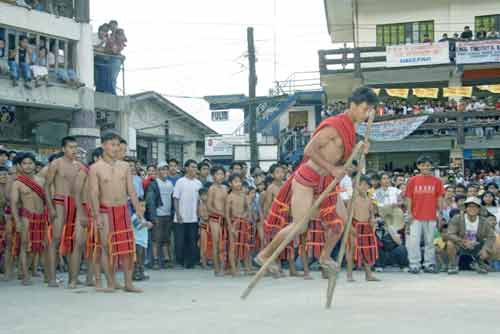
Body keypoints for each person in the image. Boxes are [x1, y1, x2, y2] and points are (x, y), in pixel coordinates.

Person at [257, 87, 377, 276]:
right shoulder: (334, 126)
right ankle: (265, 254)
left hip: (327, 181)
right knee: (300, 225)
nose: (366, 114)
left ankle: (324, 257)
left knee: (341, 223)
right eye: (364, 109)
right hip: (308, 177)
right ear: (353, 105)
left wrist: (360, 150)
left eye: (370, 110)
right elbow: (309, 150)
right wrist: (333, 169)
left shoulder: (351, 131)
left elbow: (341, 161)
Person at [88, 131, 143, 293]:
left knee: (127, 247)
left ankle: (128, 283)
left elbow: (131, 190)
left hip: (123, 210)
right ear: (104, 145)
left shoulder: (125, 166)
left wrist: (138, 210)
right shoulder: (95, 168)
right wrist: (96, 216)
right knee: (107, 247)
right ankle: (111, 283)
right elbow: (93, 193)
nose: (115, 148)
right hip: (105, 211)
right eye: (112, 144)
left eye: (118, 144)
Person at [44, 136, 87, 288]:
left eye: (75, 147)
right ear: (63, 148)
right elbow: (47, 186)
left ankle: (73, 277)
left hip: (75, 204)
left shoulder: (79, 166)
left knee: (73, 240)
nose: (73, 150)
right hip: (59, 202)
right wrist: (50, 207)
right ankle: (51, 278)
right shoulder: (56, 163)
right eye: (70, 147)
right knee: (55, 239)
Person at [10, 153, 49, 285]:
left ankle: (37, 272)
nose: (28, 166)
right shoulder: (17, 183)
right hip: (27, 216)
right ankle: (26, 275)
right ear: (20, 166)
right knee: (25, 246)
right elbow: (14, 204)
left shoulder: (42, 181)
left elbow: (48, 201)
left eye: (30, 163)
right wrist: (17, 221)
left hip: (42, 217)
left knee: (40, 246)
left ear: (35, 164)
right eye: (25, 163)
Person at [405, 155, 445, 274]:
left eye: (427, 165)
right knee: (414, 241)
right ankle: (414, 264)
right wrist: (410, 213)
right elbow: (408, 198)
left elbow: (439, 198)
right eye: (423, 165)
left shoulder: (437, 181)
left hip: (431, 216)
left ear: (431, 166)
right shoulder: (412, 181)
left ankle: (429, 264)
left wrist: (440, 213)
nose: (425, 167)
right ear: (418, 166)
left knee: (430, 241)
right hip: (416, 216)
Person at [445, 197, 496, 274]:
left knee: (494, 246)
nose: (472, 209)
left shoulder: (484, 221)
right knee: (450, 243)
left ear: (479, 209)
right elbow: (450, 234)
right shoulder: (457, 218)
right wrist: (462, 241)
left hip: (477, 245)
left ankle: (479, 263)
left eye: (475, 207)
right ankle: (453, 265)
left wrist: (485, 249)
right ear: (465, 208)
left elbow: (491, 236)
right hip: (461, 244)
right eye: (470, 206)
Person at [346, 176, 380, 282]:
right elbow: (347, 216)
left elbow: (372, 215)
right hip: (355, 225)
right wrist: (350, 228)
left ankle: (368, 275)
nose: (364, 187)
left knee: (367, 250)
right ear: (356, 186)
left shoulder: (370, 200)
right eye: (361, 184)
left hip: (366, 227)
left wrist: (373, 222)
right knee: (351, 250)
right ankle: (349, 275)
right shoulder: (352, 199)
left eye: (366, 184)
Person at [173, 160, 202, 269]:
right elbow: (176, 199)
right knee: (179, 241)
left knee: (192, 241)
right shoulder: (180, 181)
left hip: (193, 218)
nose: (194, 169)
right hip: (180, 218)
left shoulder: (198, 183)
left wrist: (199, 214)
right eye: (192, 167)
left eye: (195, 167)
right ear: (186, 168)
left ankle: (190, 263)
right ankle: (179, 262)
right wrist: (178, 214)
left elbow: (200, 201)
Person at [146, 162, 174, 270]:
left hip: (167, 215)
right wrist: (153, 217)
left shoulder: (170, 184)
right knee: (155, 239)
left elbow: (172, 199)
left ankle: (166, 260)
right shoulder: (153, 184)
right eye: (162, 169)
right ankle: (156, 260)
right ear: (158, 171)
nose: (164, 172)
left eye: (166, 169)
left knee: (166, 239)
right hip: (157, 215)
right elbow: (150, 201)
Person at [225, 173, 252, 276]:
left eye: (239, 181)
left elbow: (248, 208)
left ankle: (246, 267)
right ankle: (233, 269)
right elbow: (227, 214)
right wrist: (231, 227)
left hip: (243, 222)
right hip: (234, 223)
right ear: (230, 184)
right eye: (235, 181)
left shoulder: (243, 195)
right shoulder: (229, 197)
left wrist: (246, 215)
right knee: (233, 246)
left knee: (245, 246)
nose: (238, 184)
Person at [207, 165, 228, 276]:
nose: (220, 176)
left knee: (223, 244)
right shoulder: (212, 188)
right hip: (215, 218)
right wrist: (221, 213)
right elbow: (209, 206)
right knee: (216, 243)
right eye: (217, 174)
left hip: (224, 218)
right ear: (213, 176)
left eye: (221, 174)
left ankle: (223, 267)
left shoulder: (225, 188)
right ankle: (216, 269)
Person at [132, 199, 153, 281]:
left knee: (142, 259)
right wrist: (146, 224)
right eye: (141, 206)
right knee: (137, 258)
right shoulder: (134, 217)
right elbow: (138, 226)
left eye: (144, 206)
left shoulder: (143, 218)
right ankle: (136, 273)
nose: (143, 208)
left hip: (143, 242)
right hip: (137, 241)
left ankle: (141, 272)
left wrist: (148, 225)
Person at [198, 188, 210, 270]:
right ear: (200, 196)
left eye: (206, 195)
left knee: (209, 245)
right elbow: (204, 217)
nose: (205, 197)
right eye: (203, 195)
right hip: (204, 227)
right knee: (203, 246)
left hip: (210, 227)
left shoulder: (210, 204)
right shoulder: (201, 205)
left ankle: (208, 261)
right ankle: (203, 262)